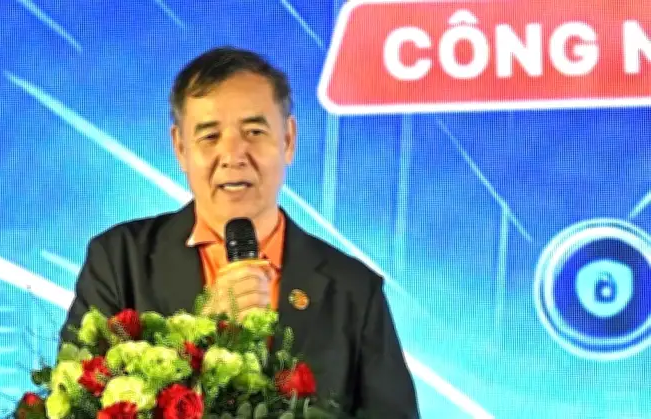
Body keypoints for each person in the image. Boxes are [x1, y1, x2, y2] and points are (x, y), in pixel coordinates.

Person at [59, 46, 419, 418]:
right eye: (210, 136)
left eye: (254, 132)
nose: (233, 156)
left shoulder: (353, 290)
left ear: (288, 140)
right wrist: (203, 332)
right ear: (180, 148)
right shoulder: (119, 261)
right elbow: (76, 405)